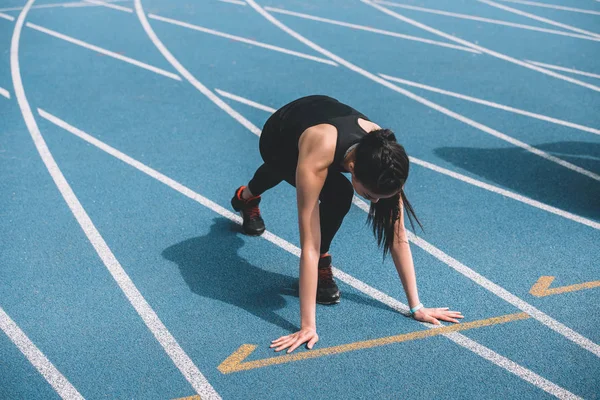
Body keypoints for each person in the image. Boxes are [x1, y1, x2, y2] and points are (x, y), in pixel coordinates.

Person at [231, 95, 463, 353]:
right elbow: (309, 244)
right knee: (314, 182)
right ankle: (246, 197)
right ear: (352, 167)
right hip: (281, 134)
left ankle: (249, 198)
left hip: (321, 125)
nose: (375, 201)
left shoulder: (385, 157)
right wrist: (308, 326)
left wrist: (416, 306)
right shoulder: (320, 151)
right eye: (370, 195)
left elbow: (398, 236)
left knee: (339, 194)